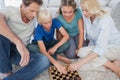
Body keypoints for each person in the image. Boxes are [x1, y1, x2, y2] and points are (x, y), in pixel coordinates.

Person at [68, 0, 120, 78]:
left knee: (81, 59)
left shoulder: (105, 19)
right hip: (100, 48)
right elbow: (92, 40)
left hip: (114, 47)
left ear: (93, 8)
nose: (84, 13)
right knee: (82, 56)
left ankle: (115, 68)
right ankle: (111, 62)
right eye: (82, 10)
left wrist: (78, 64)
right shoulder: (87, 16)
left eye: (86, 10)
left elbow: (99, 48)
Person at [0, 0, 50, 80]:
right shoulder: (11, 10)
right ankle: (6, 72)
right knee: (1, 33)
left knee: (44, 60)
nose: (34, 15)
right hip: (4, 50)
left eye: (36, 11)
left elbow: (37, 32)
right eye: (31, 11)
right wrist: (18, 42)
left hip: (20, 54)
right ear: (23, 5)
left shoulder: (36, 17)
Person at [27, 8, 70, 74]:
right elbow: (42, 50)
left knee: (66, 43)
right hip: (38, 44)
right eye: (45, 23)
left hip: (50, 42)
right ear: (40, 23)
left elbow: (66, 36)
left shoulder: (55, 21)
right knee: (30, 47)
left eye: (50, 21)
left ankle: (50, 52)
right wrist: (57, 64)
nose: (49, 25)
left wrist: (55, 47)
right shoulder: (38, 29)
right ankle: (57, 56)